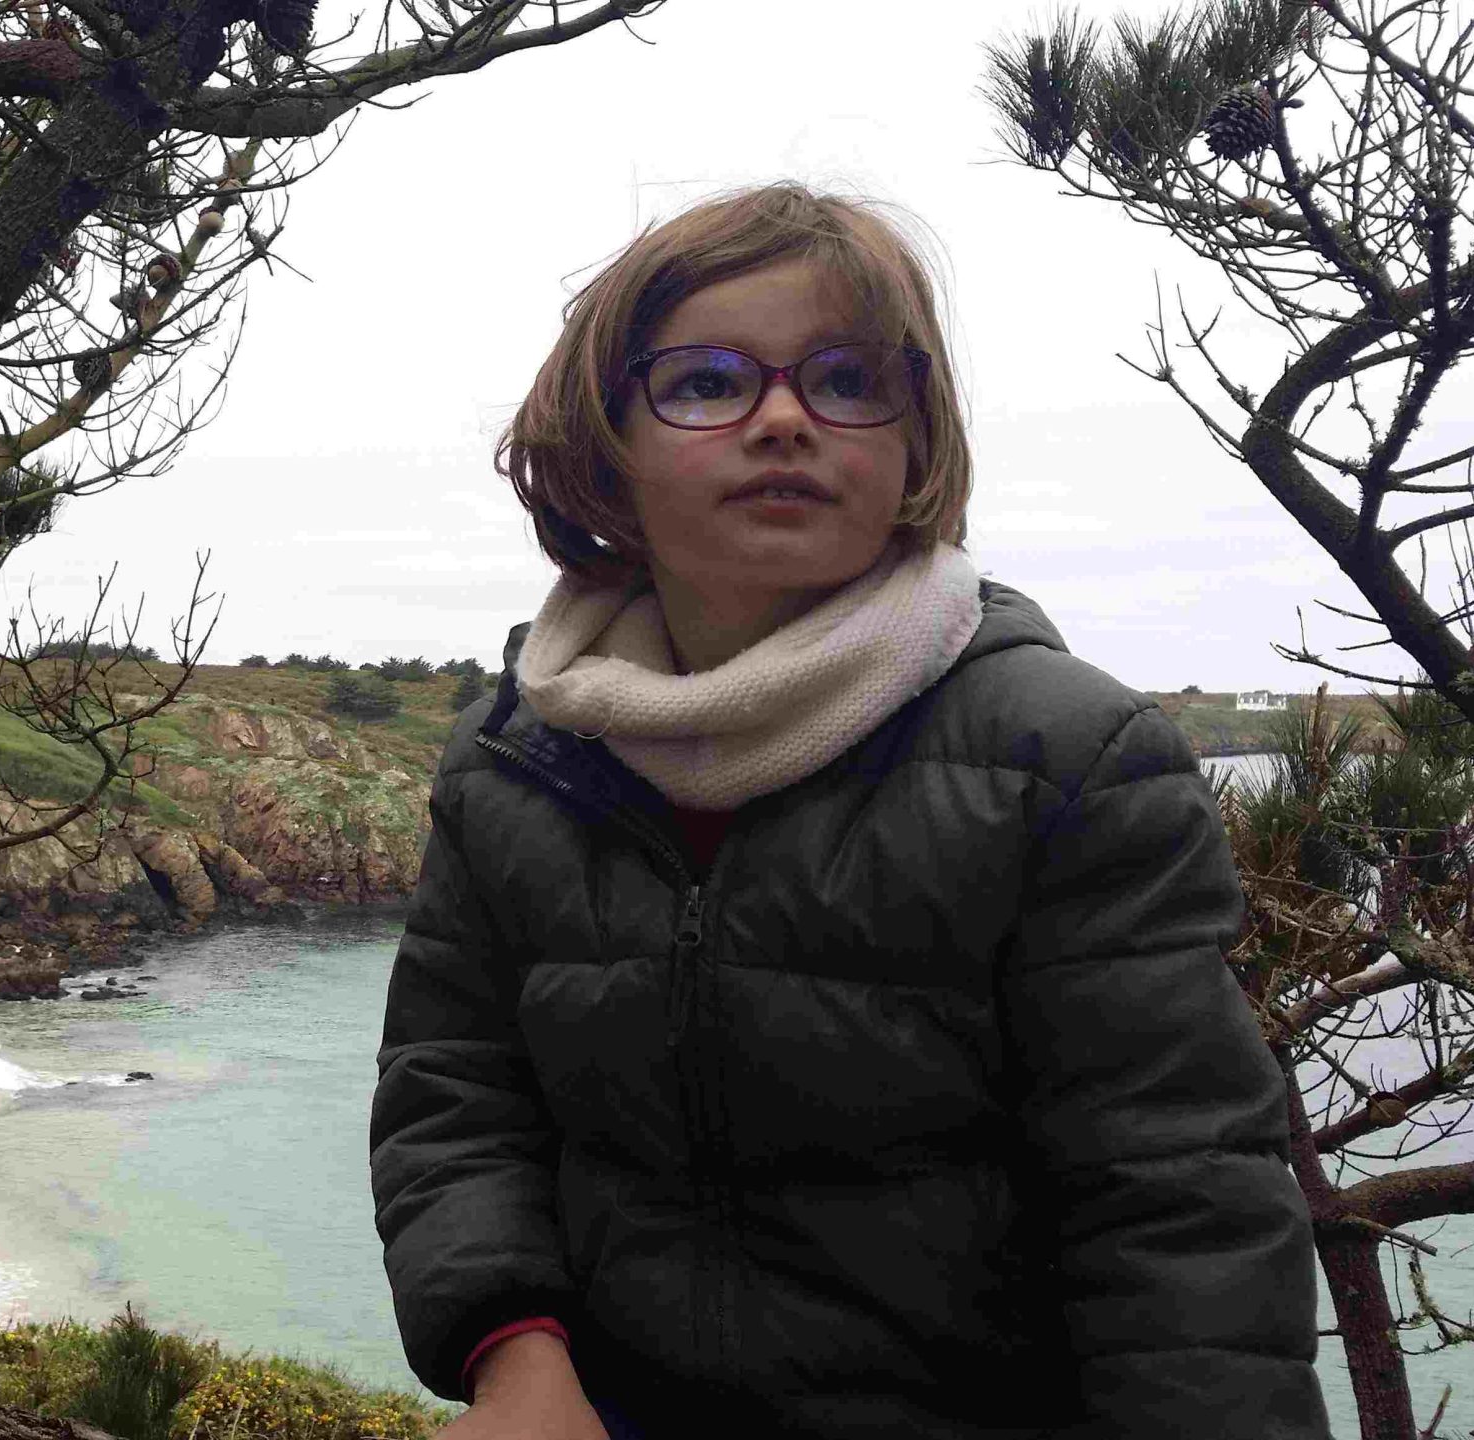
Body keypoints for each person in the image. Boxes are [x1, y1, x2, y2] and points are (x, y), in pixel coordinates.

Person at [368, 182, 1328, 1439]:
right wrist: (514, 1356)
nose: (783, 419)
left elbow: (1178, 1210)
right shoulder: (512, 762)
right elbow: (454, 1096)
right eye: (706, 382)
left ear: (915, 442)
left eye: (846, 379)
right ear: (606, 446)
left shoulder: (1066, 759)